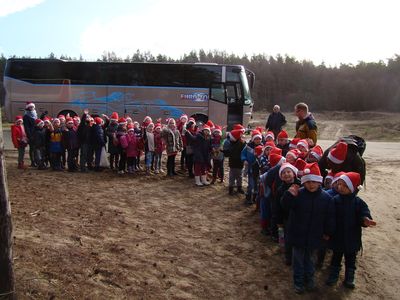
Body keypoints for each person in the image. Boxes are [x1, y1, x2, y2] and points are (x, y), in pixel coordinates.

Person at [282, 162, 335, 294]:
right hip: (297, 235)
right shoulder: (297, 194)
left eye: (314, 181)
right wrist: (289, 195)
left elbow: (330, 217)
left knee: (310, 260)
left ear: (319, 182)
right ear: (303, 182)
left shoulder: (326, 198)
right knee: (298, 261)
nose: (311, 184)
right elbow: (284, 206)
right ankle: (298, 282)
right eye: (308, 182)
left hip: (315, 236)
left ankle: (310, 279)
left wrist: (328, 232)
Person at [326, 172, 376, 289]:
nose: (341, 188)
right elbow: (330, 218)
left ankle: (349, 277)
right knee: (336, 257)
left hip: (352, 236)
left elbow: (363, 213)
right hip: (337, 236)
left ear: (353, 188)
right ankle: (334, 275)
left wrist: (365, 220)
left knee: (351, 259)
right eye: (339, 184)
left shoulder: (358, 202)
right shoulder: (334, 200)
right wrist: (328, 232)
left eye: (345, 186)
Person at [223, 129, 246, 195]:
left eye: (231, 137)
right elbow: (229, 153)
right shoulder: (234, 143)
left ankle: (238, 188)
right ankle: (232, 189)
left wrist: (225, 152)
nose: (230, 138)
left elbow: (230, 153)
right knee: (234, 177)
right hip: (234, 164)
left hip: (238, 163)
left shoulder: (239, 144)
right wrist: (224, 151)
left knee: (237, 176)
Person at [23, 101, 38, 167]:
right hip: (31, 134)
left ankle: (36, 160)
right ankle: (33, 162)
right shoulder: (26, 116)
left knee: (36, 148)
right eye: (30, 107)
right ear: (28, 108)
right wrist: (29, 136)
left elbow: (37, 123)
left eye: (32, 107)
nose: (31, 108)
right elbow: (26, 127)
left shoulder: (34, 114)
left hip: (36, 133)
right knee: (32, 148)